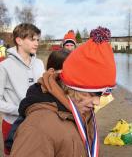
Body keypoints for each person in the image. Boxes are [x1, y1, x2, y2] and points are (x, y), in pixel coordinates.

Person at [10, 26, 116, 157]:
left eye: (101, 94)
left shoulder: (82, 109)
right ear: (72, 87)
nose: (97, 102)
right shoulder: (38, 128)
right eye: (92, 94)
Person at [0, 23, 44, 156]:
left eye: (37, 39)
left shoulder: (40, 63)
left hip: (37, 123)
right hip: (13, 124)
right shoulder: (4, 66)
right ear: (19, 40)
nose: (36, 43)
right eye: (32, 39)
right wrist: (20, 110)